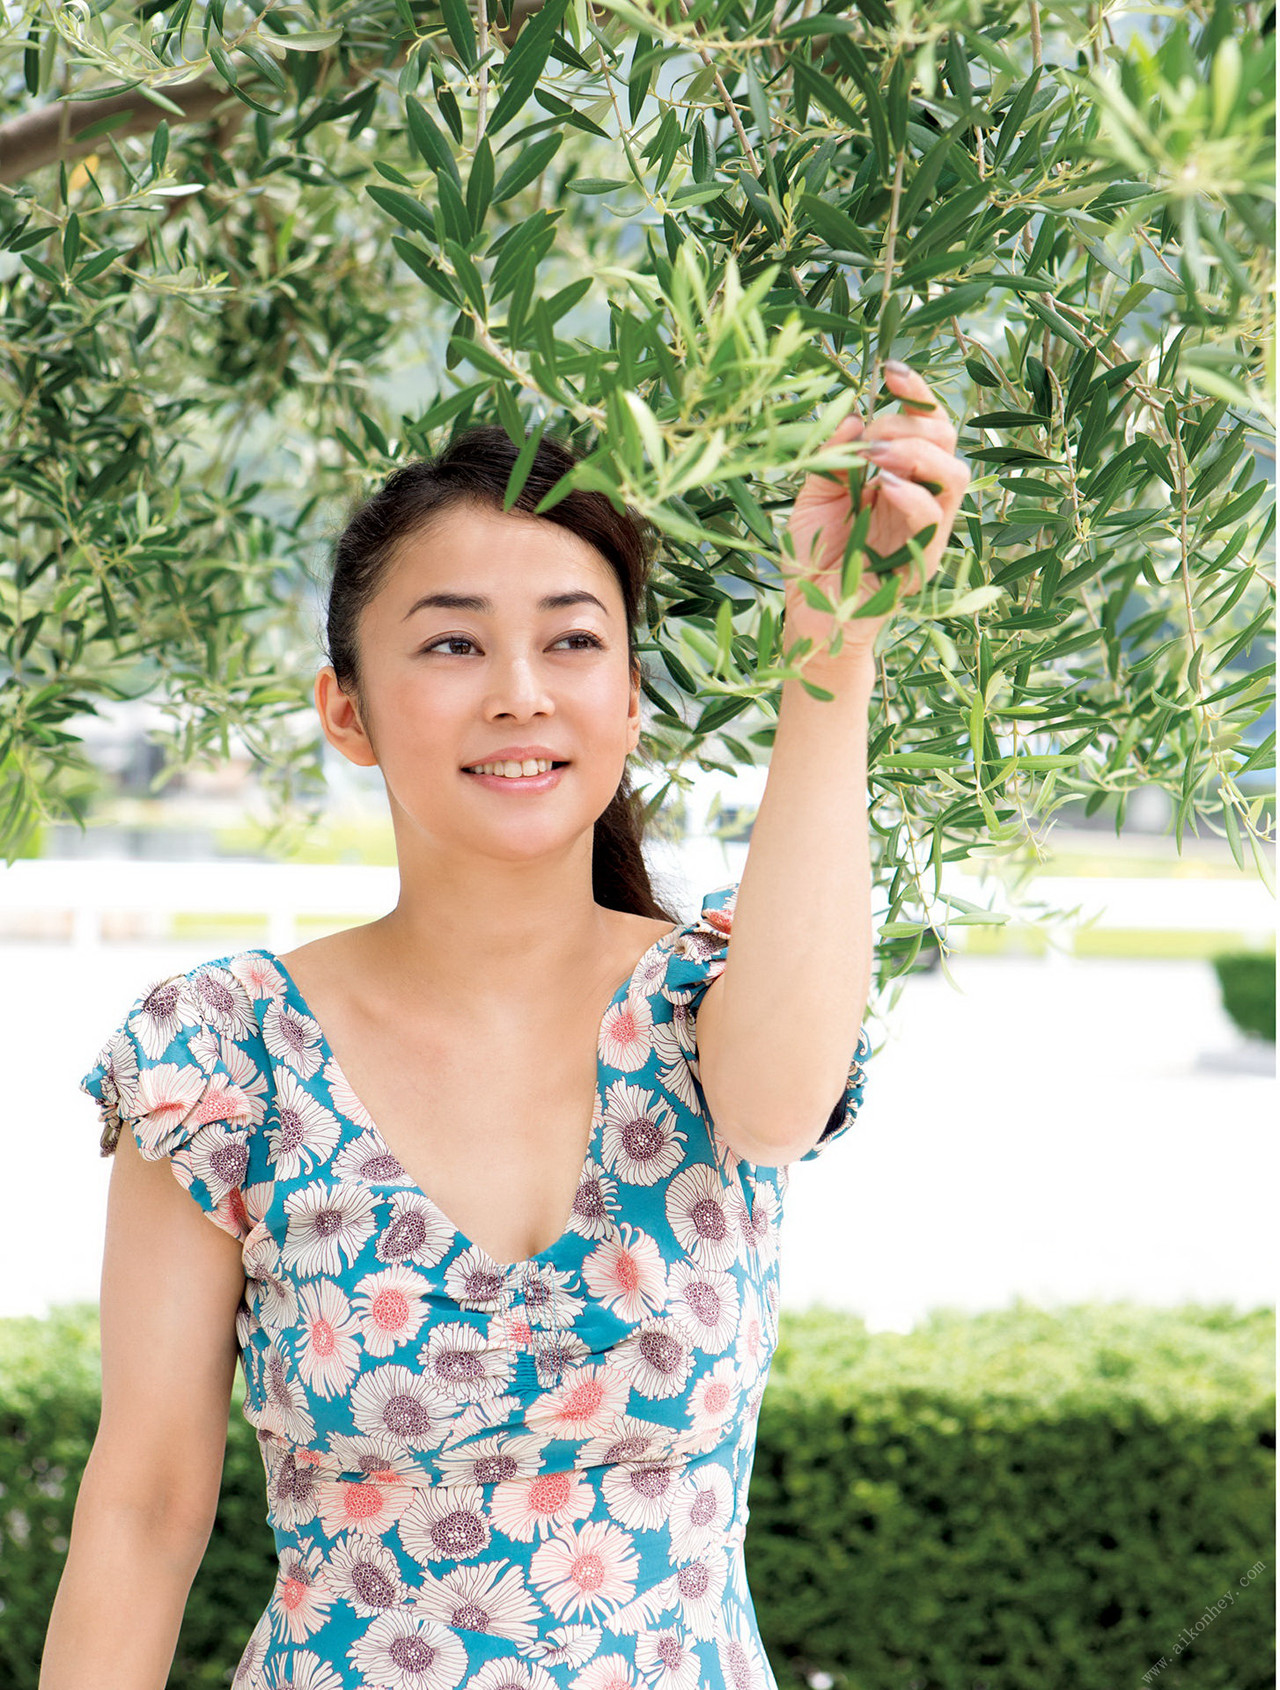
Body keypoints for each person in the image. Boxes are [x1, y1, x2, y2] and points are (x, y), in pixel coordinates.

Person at [41, 360, 969, 1689]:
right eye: (453, 640)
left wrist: (834, 638)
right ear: (345, 709)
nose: (521, 689)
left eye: (574, 638)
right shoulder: (222, 1054)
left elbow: (774, 1112)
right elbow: (143, 1507)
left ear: (632, 700)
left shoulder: (714, 1008)